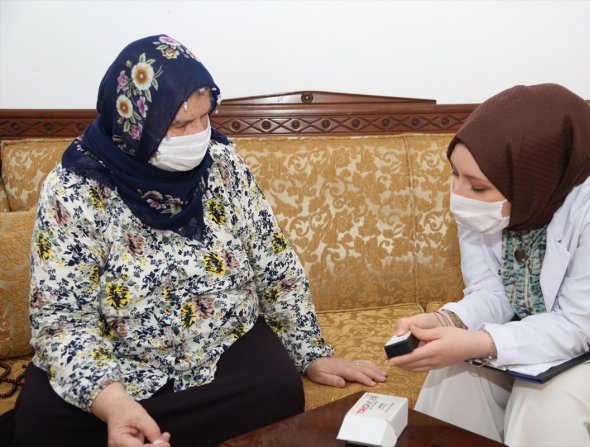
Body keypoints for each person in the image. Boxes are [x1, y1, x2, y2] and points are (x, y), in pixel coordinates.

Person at [10, 35, 387, 447]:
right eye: (179, 125)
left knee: (278, 390)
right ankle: (130, 423)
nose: (198, 134)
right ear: (134, 124)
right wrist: (113, 403)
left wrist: (310, 353)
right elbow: (62, 319)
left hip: (219, 342)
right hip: (117, 358)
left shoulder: (223, 164)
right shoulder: (74, 189)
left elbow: (274, 263)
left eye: (205, 116)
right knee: (40, 425)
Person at [389, 84, 590, 447]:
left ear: (531, 178)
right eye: (454, 174)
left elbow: (579, 327)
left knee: (542, 401)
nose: (459, 195)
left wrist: (481, 342)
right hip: (536, 348)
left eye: (477, 187)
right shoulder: (488, 201)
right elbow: (494, 292)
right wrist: (447, 321)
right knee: (454, 377)